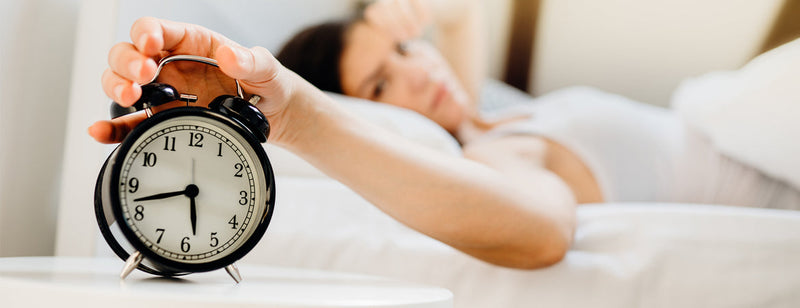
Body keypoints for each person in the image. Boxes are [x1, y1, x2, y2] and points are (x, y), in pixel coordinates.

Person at [88, 0, 799, 269]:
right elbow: (542, 231)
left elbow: (457, 27)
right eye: (379, 88)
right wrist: (300, 115)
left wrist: (429, 22)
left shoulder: (493, 108)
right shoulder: (498, 149)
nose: (415, 77)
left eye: (401, 53)